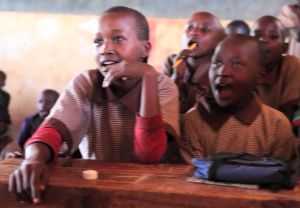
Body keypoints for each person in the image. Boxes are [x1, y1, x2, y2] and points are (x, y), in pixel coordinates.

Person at [8, 6, 179, 204]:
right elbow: (51, 131)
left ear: (145, 49)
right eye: (98, 41)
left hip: (152, 195)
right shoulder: (87, 83)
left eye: (118, 38)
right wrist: (33, 158)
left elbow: (149, 154)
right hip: (96, 192)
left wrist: (148, 76)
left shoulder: (163, 87)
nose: (105, 49)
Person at [179, 34, 298, 164]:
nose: (222, 71)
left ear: (259, 75)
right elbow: (192, 178)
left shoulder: (276, 125)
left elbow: (280, 177)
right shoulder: (193, 121)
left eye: (236, 64)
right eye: (216, 62)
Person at [161, 12, 225, 113]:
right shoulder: (170, 62)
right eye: (189, 27)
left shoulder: (219, 70)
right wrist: (176, 77)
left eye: (204, 29)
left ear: (217, 42)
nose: (193, 32)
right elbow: (161, 106)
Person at [251, 15, 300, 121]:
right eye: (257, 36)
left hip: (279, 129)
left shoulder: (289, 65)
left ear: (284, 48)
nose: (263, 40)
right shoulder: (242, 67)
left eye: (272, 36)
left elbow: (288, 115)